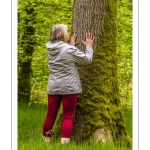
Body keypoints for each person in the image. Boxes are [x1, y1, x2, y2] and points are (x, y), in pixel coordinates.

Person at [42, 24, 95, 144]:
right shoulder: (69, 50)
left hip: (53, 87)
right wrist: (88, 47)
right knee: (68, 116)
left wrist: (72, 46)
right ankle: (64, 144)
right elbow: (87, 60)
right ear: (61, 34)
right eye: (66, 32)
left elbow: (63, 57)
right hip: (69, 88)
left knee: (50, 116)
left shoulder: (50, 49)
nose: (67, 33)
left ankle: (45, 143)